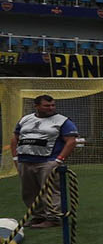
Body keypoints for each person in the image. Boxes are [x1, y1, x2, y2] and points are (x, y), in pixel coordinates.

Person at [10, 94, 77, 228]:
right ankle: (37, 216)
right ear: (37, 106)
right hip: (25, 160)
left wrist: (58, 160)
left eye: (53, 105)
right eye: (47, 105)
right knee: (28, 192)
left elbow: (71, 141)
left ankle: (53, 218)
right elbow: (15, 138)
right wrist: (16, 158)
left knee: (50, 191)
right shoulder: (25, 119)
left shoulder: (63, 121)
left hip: (47, 162)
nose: (51, 108)